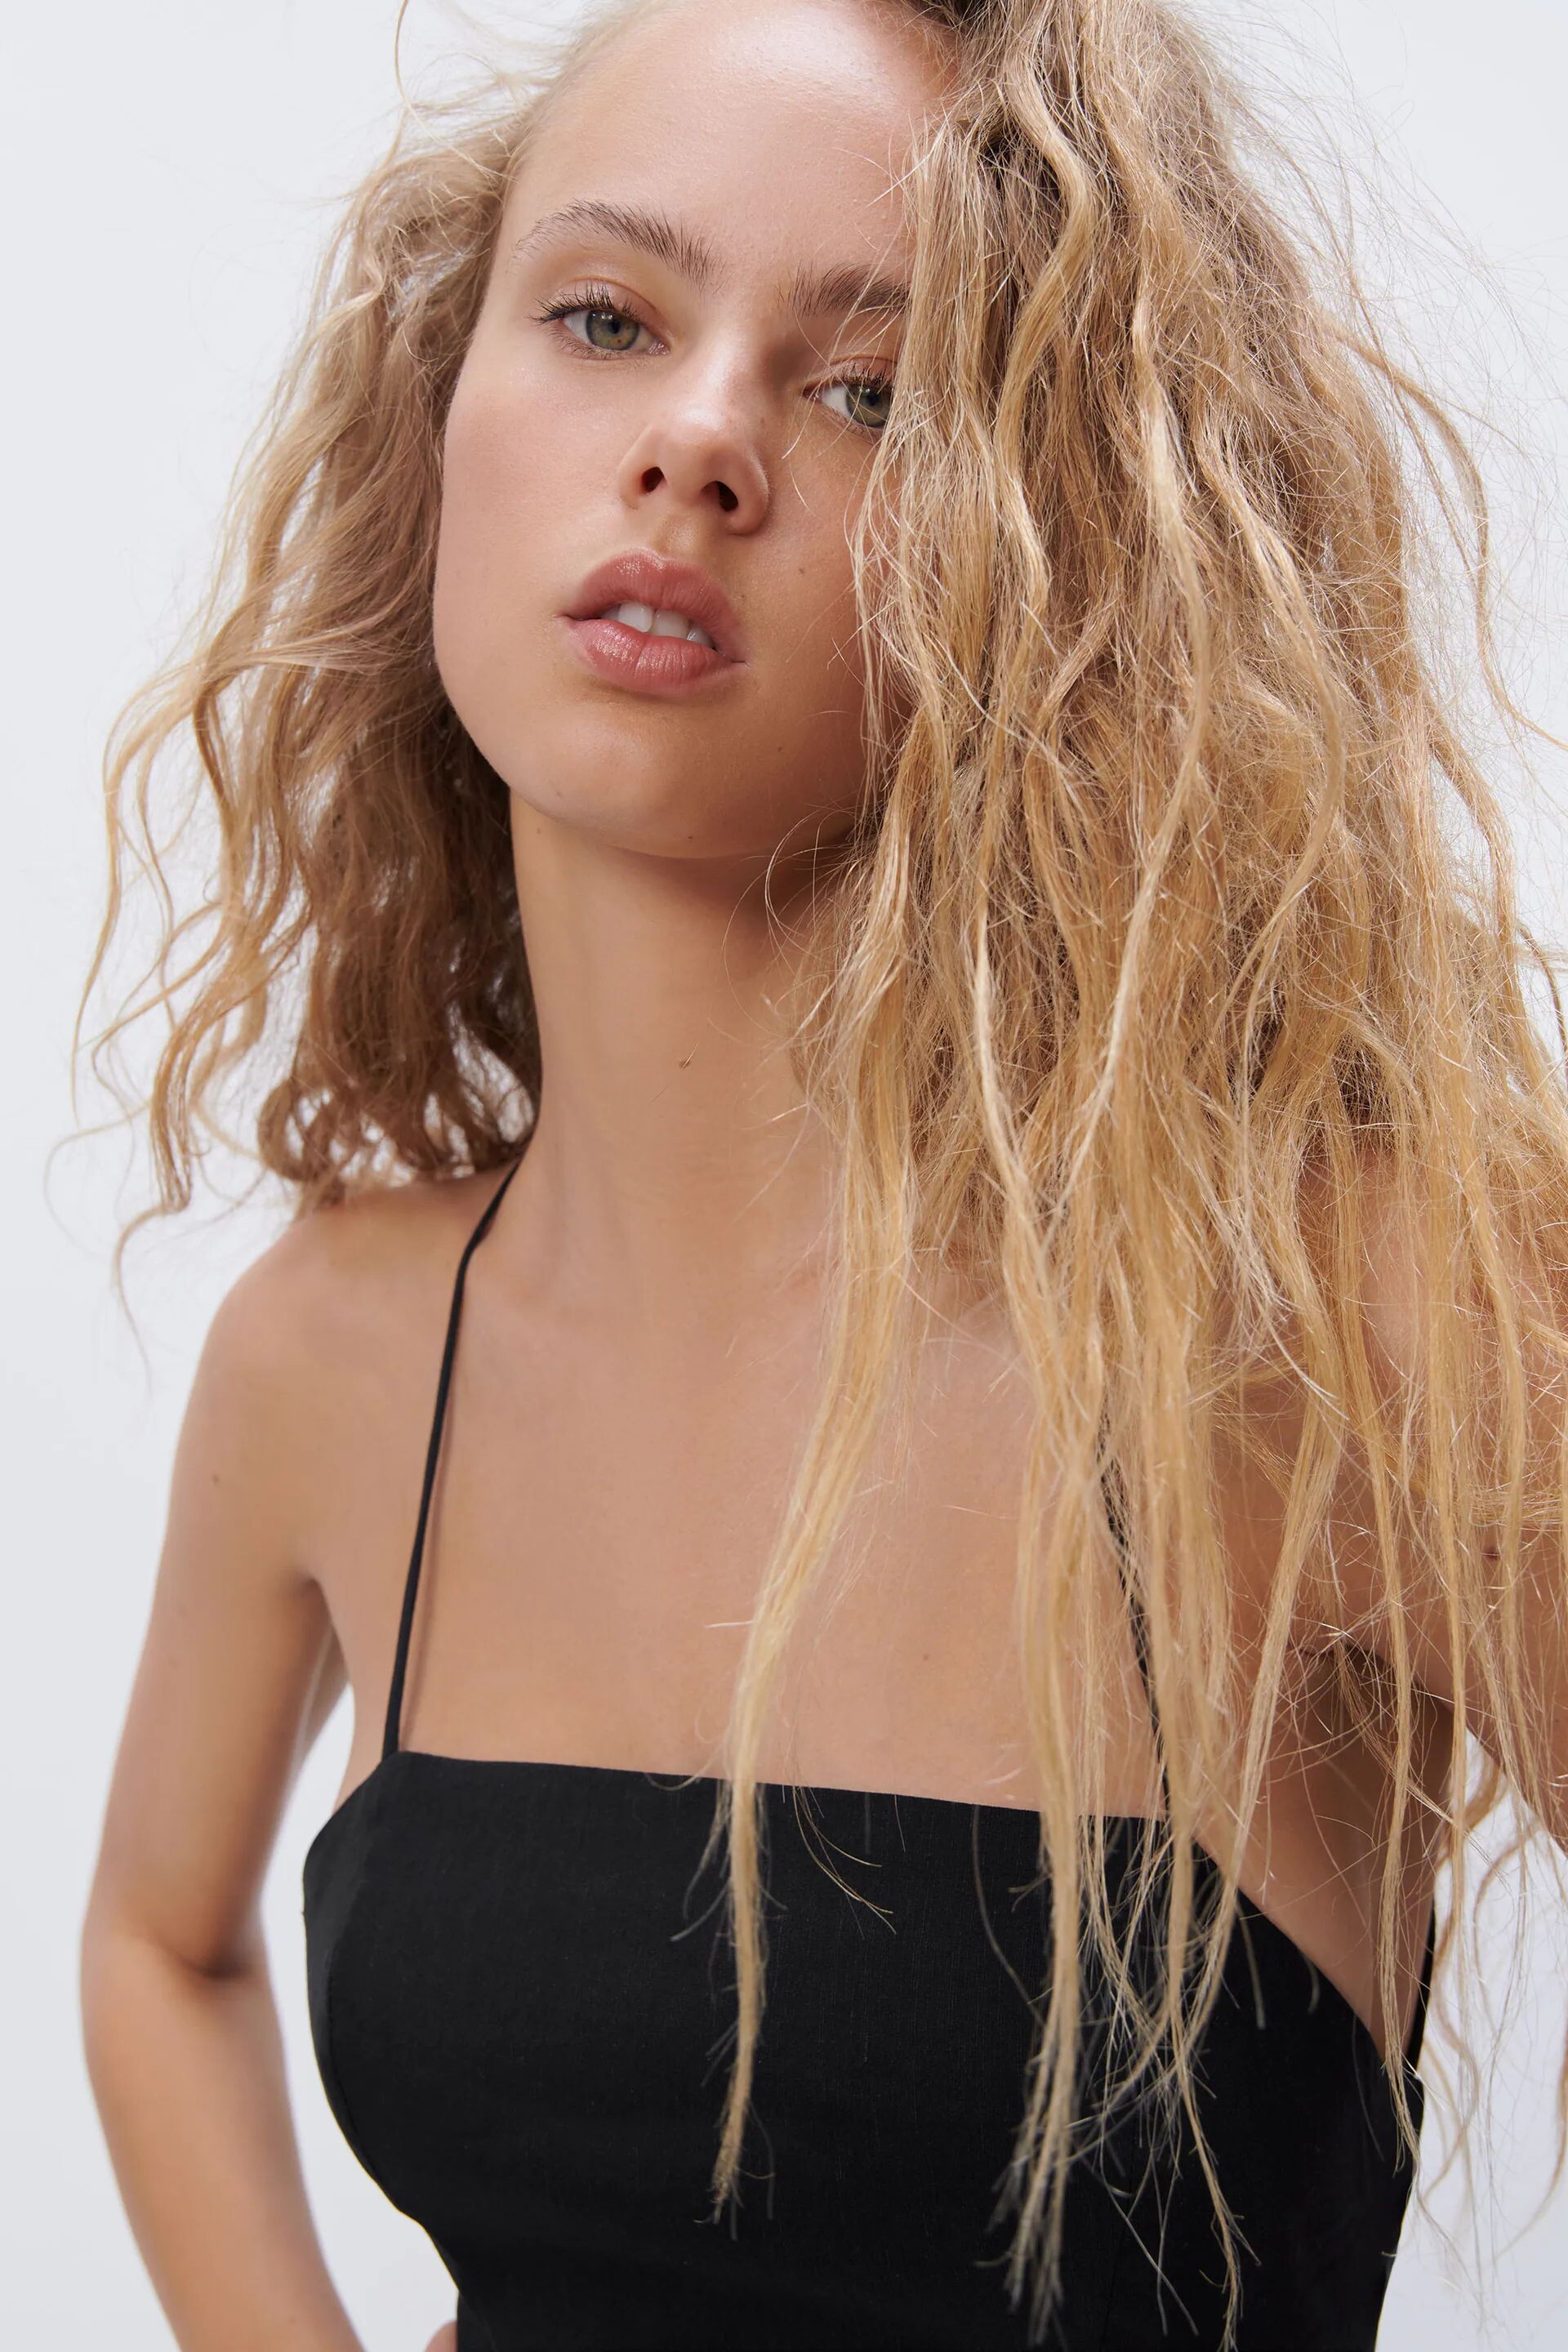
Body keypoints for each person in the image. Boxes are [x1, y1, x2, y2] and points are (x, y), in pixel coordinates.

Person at [74, 0, 1567, 2346]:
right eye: (605, 318)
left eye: (876, 389)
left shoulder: (1325, 1309)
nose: (697, 442)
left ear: (1081, 547)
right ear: (433, 409)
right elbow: (157, 1944)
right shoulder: (342, 1353)